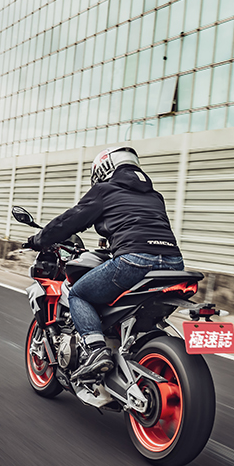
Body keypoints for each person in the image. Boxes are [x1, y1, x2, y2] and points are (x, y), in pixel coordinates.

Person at [25, 146, 183, 380]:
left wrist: (39, 240)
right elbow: (142, 227)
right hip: (174, 265)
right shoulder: (154, 196)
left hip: (135, 261)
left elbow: (69, 221)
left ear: (103, 169)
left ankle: (96, 350)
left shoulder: (103, 190)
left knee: (78, 294)